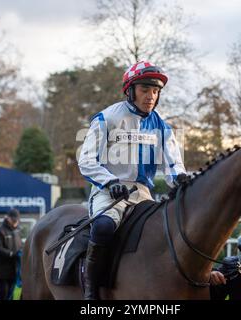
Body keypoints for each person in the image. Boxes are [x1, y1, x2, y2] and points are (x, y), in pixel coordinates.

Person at [78, 61, 188, 300]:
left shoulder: (161, 125)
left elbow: (173, 164)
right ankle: (91, 290)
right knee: (104, 226)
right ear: (130, 90)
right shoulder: (106, 118)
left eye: (155, 91)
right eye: (145, 89)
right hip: (108, 192)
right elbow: (86, 160)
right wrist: (108, 181)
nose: (151, 96)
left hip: (143, 195)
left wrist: (179, 178)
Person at [0, 208, 22, 300]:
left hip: (14, 269)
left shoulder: (18, 231)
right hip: (1, 270)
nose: (15, 222)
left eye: (16, 220)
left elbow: (19, 247)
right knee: (3, 293)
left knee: (11, 294)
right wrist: (12, 254)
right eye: (13, 220)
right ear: (7, 218)